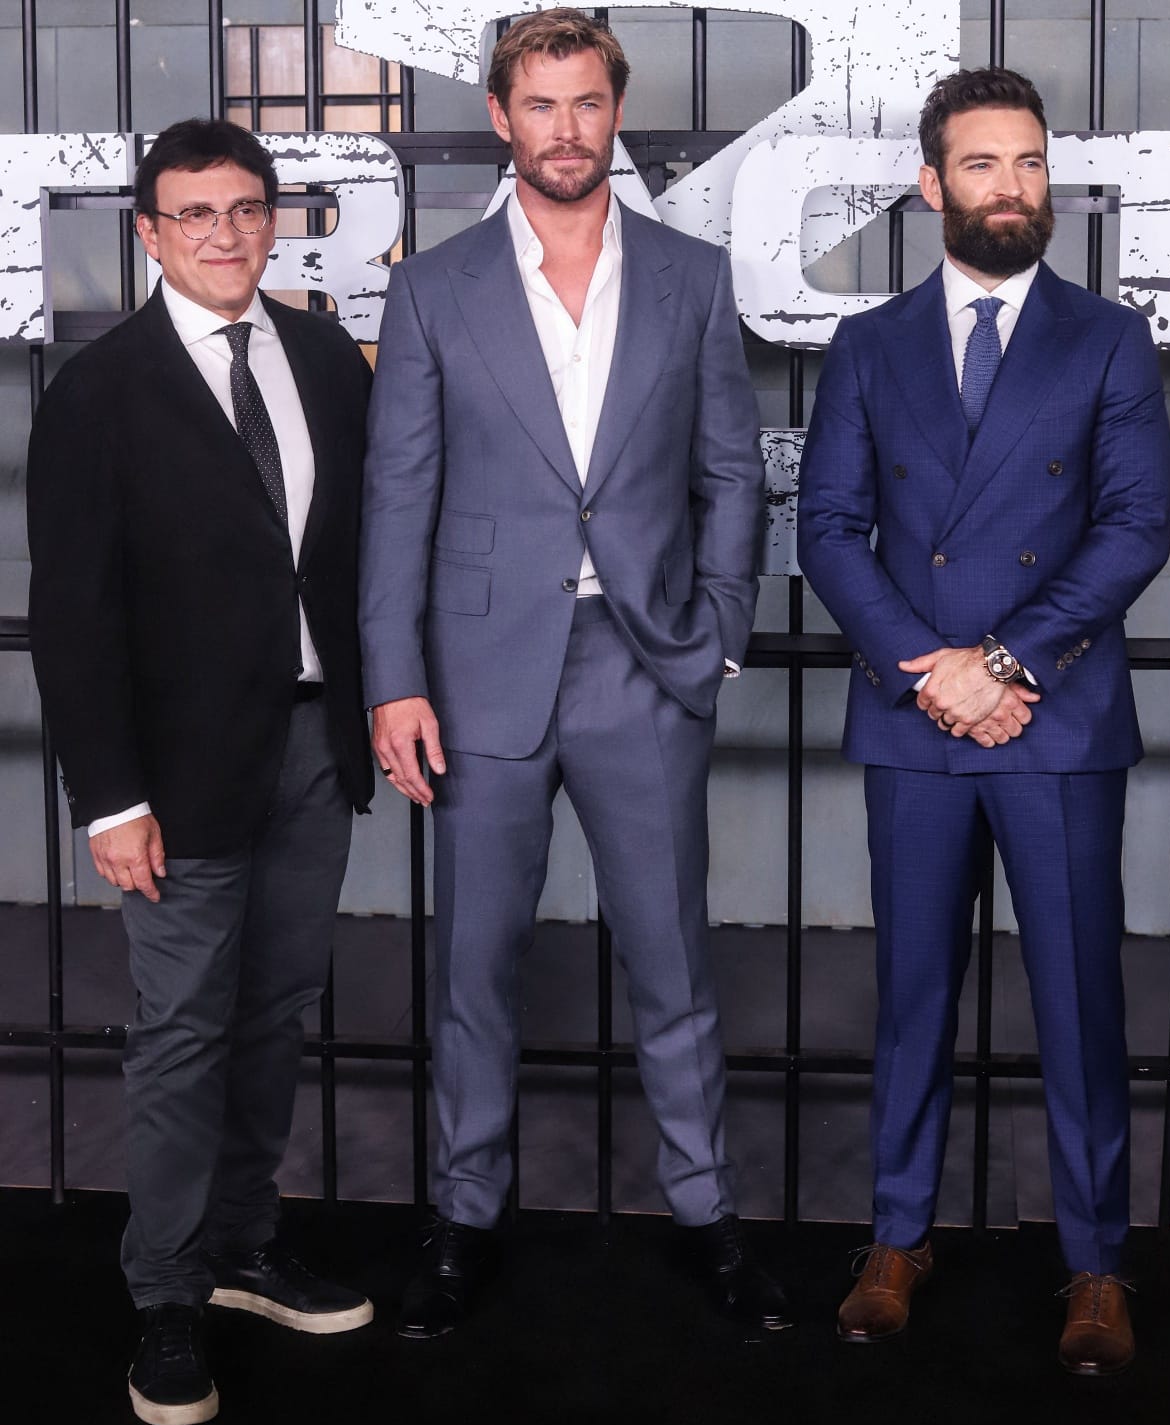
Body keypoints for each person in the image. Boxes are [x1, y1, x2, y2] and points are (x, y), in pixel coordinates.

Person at [360, 8, 789, 1338]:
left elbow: (733, 472)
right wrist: (393, 678)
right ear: (502, 117)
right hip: (479, 674)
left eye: (587, 103)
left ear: (617, 112)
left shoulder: (689, 276)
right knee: (475, 973)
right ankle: (465, 1216)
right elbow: (397, 498)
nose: (564, 128)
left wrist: (716, 627)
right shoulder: (435, 287)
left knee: (672, 964)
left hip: (644, 665)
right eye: (538, 105)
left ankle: (710, 1210)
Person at [796, 66, 1170, 1375]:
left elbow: (1137, 527)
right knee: (910, 993)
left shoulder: (1110, 339)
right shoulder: (867, 345)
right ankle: (898, 1236)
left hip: (1054, 713)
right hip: (916, 720)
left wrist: (1002, 658)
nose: (1010, 187)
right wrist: (928, 667)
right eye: (982, 165)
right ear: (930, 183)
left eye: (1028, 165)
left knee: (1078, 999)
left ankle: (1095, 1261)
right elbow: (830, 532)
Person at [26, 119, 375, 1425]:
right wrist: (108, 795)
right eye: (194, 215)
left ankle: (240, 1241)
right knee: (180, 1029)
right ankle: (165, 1289)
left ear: (272, 218)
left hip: (307, 744)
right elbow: (74, 612)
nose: (223, 233)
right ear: (149, 233)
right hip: (170, 775)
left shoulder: (329, 360)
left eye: (244, 208)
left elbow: (349, 558)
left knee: (276, 1010)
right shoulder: (98, 391)